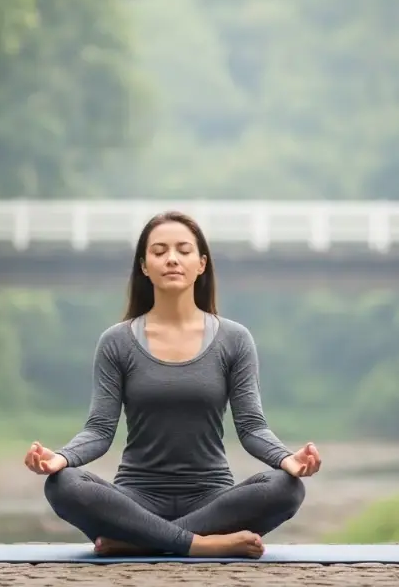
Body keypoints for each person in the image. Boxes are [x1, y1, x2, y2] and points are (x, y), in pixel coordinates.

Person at [22, 211, 322, 559]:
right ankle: (200, 544)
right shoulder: (117, 341)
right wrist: (61, 458)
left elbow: (252, 427)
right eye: (159, 251)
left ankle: (139, 542)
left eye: (183, 250)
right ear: (145, 266)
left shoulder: (234, 339)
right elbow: (100, 429)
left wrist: (288, 459)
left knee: (286, 488)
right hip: (135, 498)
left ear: (201, 263)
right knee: (64, 484)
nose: (172, 259)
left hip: (212, 498)